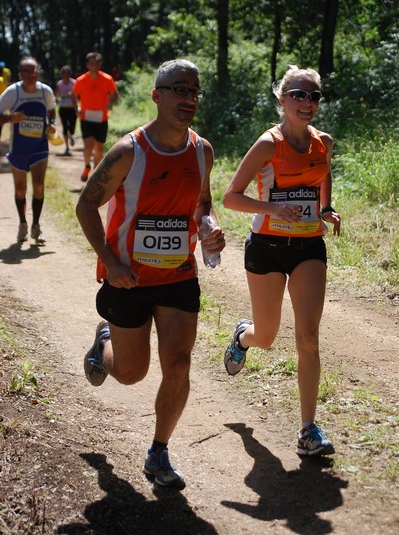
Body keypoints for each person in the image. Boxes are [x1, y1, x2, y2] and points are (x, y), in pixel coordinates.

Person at [76, 59, 225, 488]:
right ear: (157, 95)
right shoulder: (129, 152)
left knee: (178, 365)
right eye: (180, 89)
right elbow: (86, 204)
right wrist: (112, 260)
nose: (189, 98)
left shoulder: (202, 150)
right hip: (129, 281)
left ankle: (158, 452)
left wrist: (208, 226)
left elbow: (202, 203)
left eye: (195, 91)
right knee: (130, 373)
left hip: (179, 276)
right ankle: (104, 341)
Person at [223, 65, 341, 457]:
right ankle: (244, 336)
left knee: (308, 338)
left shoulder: (323, 142)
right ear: (282, 99)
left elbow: (322, 177)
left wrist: (325, 209)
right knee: (267, 337)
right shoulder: (267, 145)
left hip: (309, 247)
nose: (306, 103)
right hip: (267, 246)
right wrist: (274, 206)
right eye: (298, 94)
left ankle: (308, 429)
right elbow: (231, 197)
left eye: (313, 96)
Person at [0, 56, 56, 244]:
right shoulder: (12, 93)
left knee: (39, 186)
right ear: (20, 74)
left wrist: (52, 125)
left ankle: (36, 226)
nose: (30, 75)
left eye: (33, 71)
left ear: (38, 72)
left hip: (40, 148)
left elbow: (52, 111)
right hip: (19, 149)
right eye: (26, 71)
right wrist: (10, 119)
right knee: (20, 190)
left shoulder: (45, 91)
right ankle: (23, 223)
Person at [72, 52, 118, 182]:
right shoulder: (81, 80)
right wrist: (77, 109)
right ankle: (87, 166)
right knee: (88, 146)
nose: (94, 66)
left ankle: (95, 175)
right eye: (91, 63)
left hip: (101, 118)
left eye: (97, 63)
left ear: (100, 64)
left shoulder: (107, 79)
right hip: (86, 118)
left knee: (99, 149)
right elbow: (73, 95)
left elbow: (115, 94)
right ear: (87, 65)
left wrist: (110, 102)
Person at [55, 65, 76, 156]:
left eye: (67, 73)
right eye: (64, 74)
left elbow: (77, 94)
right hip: (63, 108)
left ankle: (71, 134)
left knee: (72, 127)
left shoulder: (74, 83)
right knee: (65, 127)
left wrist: (72, 95)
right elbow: (57, 95)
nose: (66, 75)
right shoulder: (59, 84)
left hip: (72, 108)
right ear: (62, 74)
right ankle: (67, 147)